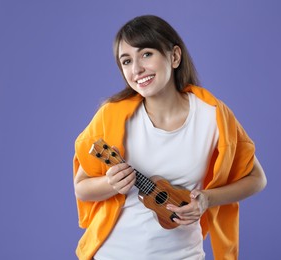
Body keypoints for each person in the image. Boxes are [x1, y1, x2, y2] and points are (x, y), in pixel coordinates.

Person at [73, 15, 267, 260]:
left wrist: (207, 199)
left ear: (174, 56)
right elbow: (81, 188)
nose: (136, 69)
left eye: (146, 54)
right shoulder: (111, 117)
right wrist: (109, 184)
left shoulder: (212, 117)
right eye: (126, 61)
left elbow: (257, 179)